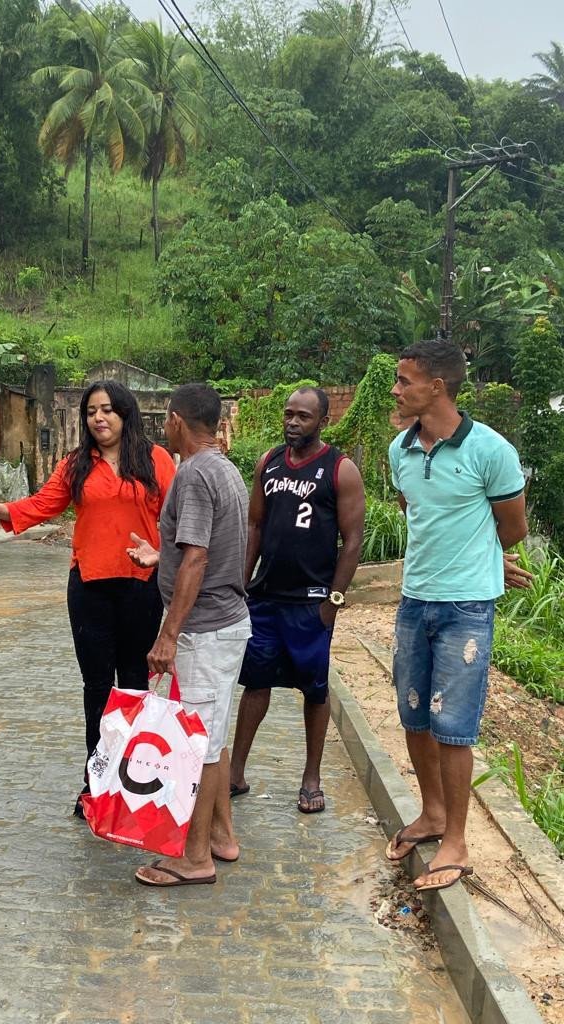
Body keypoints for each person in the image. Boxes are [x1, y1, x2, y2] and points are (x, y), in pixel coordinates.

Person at [0, 380, 175, 818]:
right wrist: (2, 509)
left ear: (126, 414)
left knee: (133, 683)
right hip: (90, 589)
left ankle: (130, 783)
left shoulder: (155, 460)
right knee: (97, 687)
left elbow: (176, 515)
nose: (100, 418)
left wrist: (170, 558)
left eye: (109, 410)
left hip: (140, 585)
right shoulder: (77, 464)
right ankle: (95, 782)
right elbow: (44, 503)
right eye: (92, 411)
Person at [385, 339, 528, 892]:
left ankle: (457, 842)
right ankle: (432, 813)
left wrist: (488, 560)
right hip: (414, 599)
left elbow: (511, 528)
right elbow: (416, 510)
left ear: (437, 386)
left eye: (404, 380)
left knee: (454, 724)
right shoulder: (401, 449)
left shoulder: (491, 451)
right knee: (414, 714)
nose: (396, 390)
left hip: (467, 605)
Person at [126, 383, 251, 887]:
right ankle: (221, 836)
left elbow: (198, 555)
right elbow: (204, 549)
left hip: (204, 631)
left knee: (198, 745)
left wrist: (168, 634)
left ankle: (194, 858)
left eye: (165, 419)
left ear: (177, 420)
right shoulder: (224, 467)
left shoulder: (195, 474)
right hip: (225, 624)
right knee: (214, 740)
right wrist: (165, 559)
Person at [228, 387, 366, 813]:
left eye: (303, 416)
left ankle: (311, 777)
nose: (293, 422)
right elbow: (254, 526)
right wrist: (241, 583)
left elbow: (354, 540)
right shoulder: (268, 463)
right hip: (266, 597)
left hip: (312, 602)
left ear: (322, 420)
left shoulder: (339, 469)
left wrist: (333, 602)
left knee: (314, 689)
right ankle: (234, 772)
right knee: (256, 681)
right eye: (289, 414)